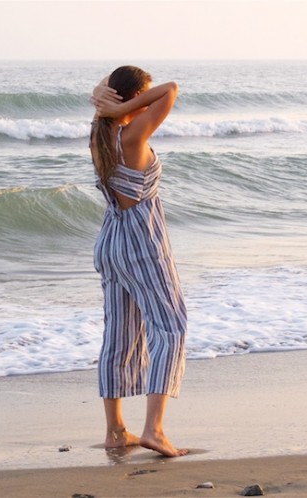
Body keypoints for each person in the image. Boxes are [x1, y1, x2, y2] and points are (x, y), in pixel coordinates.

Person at [89, 66, 188, 457]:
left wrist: (103, 99)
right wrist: (126, 104)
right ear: (130, 98)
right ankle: (154, 431)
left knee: (118, 336)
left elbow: (158, 92)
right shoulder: (132, 135)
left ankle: (116, 432)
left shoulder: (100, 134)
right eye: (138, 96)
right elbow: (171, 90)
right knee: (171, 328)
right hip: (141, 243)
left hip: (110, 242)